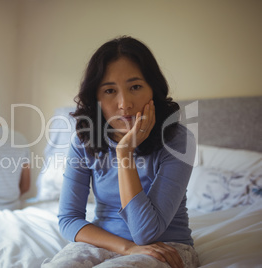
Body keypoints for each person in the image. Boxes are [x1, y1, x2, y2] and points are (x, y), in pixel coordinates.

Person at [42, 36, 198, 268]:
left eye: (135, 87)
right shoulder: (84, 141)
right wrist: (126, 247)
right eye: (109, 90)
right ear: (96, 98)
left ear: (152, 90)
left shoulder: (177, 139)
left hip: (165, 247)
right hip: (103, 243)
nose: (124, 103)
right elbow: (68, 220)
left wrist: (124, 152)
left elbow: (146, 233)